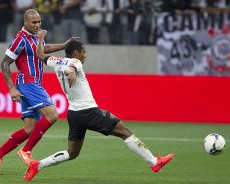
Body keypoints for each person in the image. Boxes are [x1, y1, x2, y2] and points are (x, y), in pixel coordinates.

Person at [23, 31, 175, 181]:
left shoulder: (56, 61)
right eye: (84, 52)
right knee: (125, 132)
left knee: (72, 153)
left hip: (74, 114)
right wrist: (71, 73)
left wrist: (41, 37)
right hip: (88, 111)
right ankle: (154, 162)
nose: (85, 55)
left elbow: (40, 55)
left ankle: (38, 165)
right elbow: (72, 68)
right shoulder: (75, 63)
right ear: (76, 52)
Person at [0, 9, 77, 175]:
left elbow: (44, 49)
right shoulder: (19, 40)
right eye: (34, 22)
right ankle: (26, 150)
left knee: (29, 129)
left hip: (34, 83)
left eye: (39, 22)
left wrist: (64, 45)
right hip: (27, 83)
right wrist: (11, 88)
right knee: (52, 115)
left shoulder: (36, 37)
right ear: (25, 22)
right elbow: (5, 63)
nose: (37, 25)